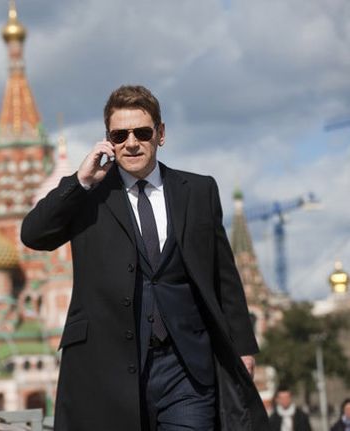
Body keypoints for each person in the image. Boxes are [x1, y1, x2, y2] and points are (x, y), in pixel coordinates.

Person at [21, 85, 269, 430]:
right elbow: (33, 234)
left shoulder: (198, 192)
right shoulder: (90, 197)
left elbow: (223, 273)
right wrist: (81, 181)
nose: (131, 143)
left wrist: (242, 346)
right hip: (108, 370)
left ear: (160, 134)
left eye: (142, 132)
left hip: (187, 369)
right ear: (108, 141)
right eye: (119, 135)